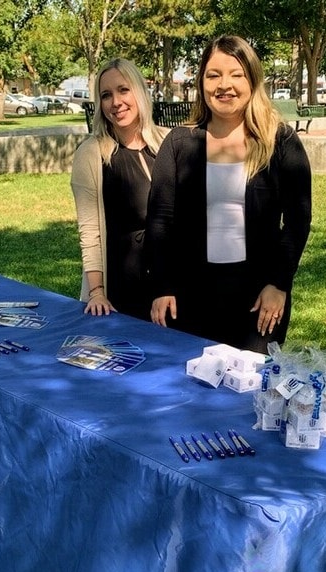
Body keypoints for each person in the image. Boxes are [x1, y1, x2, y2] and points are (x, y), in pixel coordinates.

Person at [145, 36, 312, 353]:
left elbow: (298, 221)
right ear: (201, 82)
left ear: (252, 80)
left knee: (249, 392)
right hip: (188, 297)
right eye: (213, 75)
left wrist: (279, 284)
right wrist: (162, 286)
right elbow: (160, 221)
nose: (225, 85)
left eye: (236, 74)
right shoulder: (179, 143)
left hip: (259, 298)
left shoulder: (280, 142)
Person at [71, 58, 168, 319]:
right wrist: (97, 292)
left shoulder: (169, 143)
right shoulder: (91, 154)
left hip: (169, 289)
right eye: (106, 95)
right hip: (120, 290)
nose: (116, 102)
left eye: (123, 90)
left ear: (138, 91)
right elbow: (89, 232)